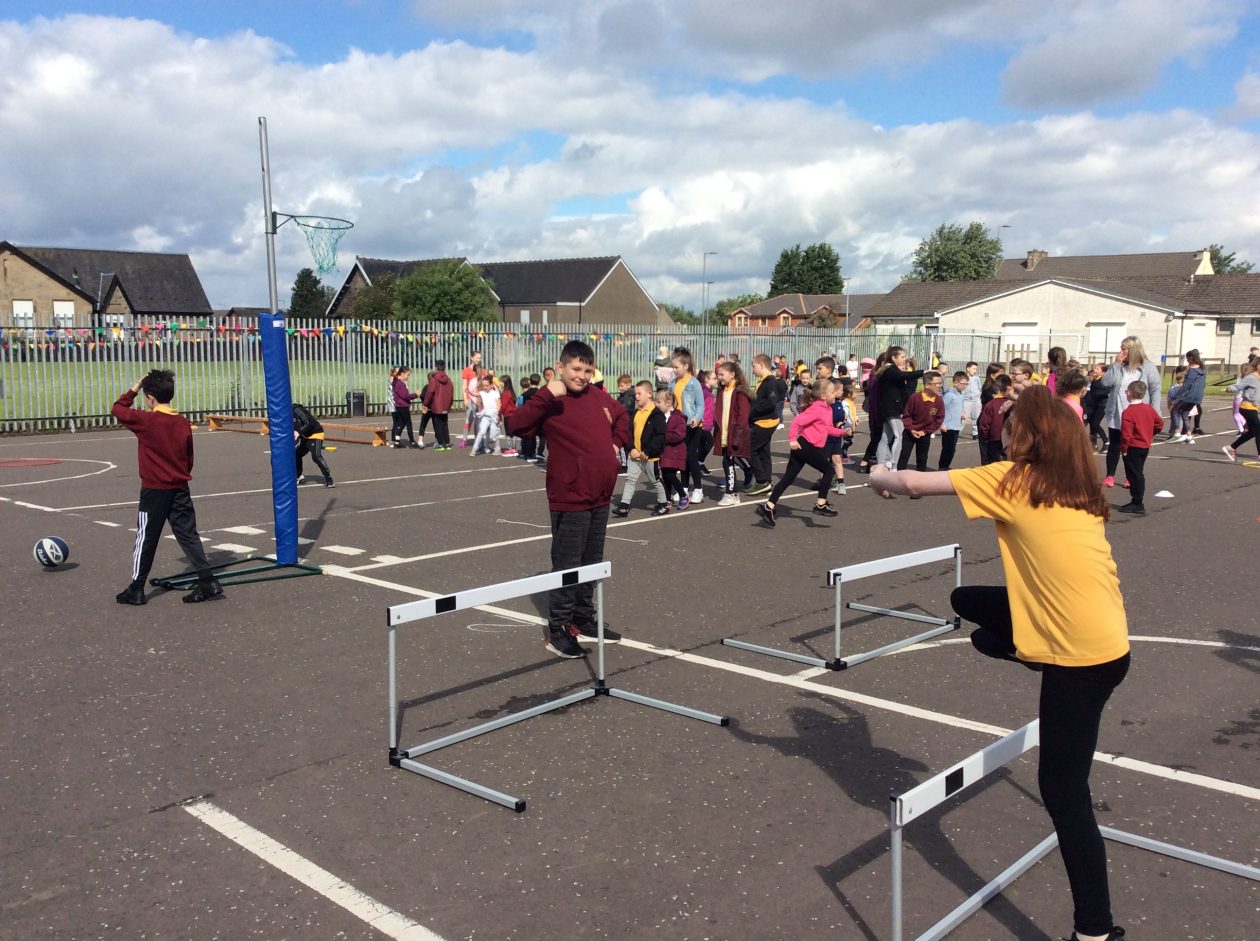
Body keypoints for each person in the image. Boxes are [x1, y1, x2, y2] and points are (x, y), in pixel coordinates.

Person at [869, 385, 1130, 941]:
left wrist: (878, 475)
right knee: (968, 603)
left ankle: (1095, 931)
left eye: (1009, 426)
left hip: (1079, 661)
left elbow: (911, 482)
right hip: (1109, 644)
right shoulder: (1077, 488)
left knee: (1064, 793)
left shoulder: (1014, 479)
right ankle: (1023, 648)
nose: (1001, 434)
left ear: (1028, 435)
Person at [507, 340, 628, 658]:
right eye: (576, 369)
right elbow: (516, 425)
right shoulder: (548, 399)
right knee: (568, 564)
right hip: (570, 497)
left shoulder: (598, 396)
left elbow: (622, 418)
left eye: (588, 370)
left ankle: (582, 619)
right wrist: (548, 393)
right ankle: (558, 629)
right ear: (560, 367)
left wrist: (615, 445)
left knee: (591, 562)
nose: (582, 376)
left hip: (600, 496)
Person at [111, 369, 222, 605]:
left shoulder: (147, 420)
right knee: (188, 535)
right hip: (180, 486)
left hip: (154, 489)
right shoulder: (182, 422)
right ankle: (208, 581)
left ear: (150, 398)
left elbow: (118, 409)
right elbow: (188, 458)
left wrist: (134, 388)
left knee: (146, 537)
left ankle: (136, 587)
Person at [755, 378, 842, 526]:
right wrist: (792, 439)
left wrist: (842, 432)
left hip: (804, 447)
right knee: (828, 470)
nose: (835, 394)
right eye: (832, 392)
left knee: (788, 478)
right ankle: (821, 504)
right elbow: (797, 422)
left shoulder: (827, 409)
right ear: (823, 396)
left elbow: (828, 428)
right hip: (805, 446)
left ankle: (768, 507)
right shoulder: (817, 408)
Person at [1098, 336, 1161, 489]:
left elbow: (1155, 389)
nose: (1121, 351)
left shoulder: (1147, 367)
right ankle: (1110, 475)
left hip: (1137, 414)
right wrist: (1116, 365)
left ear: (1133, 349)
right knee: (1115, 445)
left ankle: (1130, 476)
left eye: (1124, 348)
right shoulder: (1119, 366)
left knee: (1133, 447)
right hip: (1117, 411)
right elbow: (1105, 383)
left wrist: (1155, 411)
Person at [613, 380, 669, 517]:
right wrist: (631, 448)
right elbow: (628, 433)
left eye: (639, 393)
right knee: (630, 480)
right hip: (635, 456)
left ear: (649, 394)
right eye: (635, 394)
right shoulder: (635, 413)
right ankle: (624, 506)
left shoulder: (657, 414)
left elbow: (660, 436)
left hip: (649, 457)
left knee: (655, 480)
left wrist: (648, 451)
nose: (636, 397)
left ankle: (663, 503)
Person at [874, 346, 926, 467]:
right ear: (894, 358)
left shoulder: (889, 369)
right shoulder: (890, 370)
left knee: (885, 437)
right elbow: (903, 376)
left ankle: (881, 464)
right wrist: (922, 372)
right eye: (902, 357)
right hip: (893, 409)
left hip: (890, 408)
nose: (904, 359)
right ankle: (894, 465)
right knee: (899, 437)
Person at [1116, 380, 1162, 515]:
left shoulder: (1129, 412)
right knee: (1138, 472)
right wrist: (1150, 434)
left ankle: (1137, 502)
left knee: (1134, 474)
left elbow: (1126, 434)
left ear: (1129, 393)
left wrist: (1124, 448)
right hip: (1144, 446)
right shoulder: (1148, 408)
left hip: (1133, 446)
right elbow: (1159, 424)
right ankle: (1136, 500)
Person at [712, 360, 753, 506]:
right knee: (726, 463)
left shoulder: (740, 393)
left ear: (732, 374)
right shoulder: (722, 391)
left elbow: (743, 418)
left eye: (722, 374)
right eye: (718, 375)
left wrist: (737, 437)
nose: (719, 377)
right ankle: (733, 493)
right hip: (724, 435)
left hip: (733, 435)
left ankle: (731, 494)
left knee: (728, 463)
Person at [671, 347, 706, 504]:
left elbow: (700, 405)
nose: (674, 370)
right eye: (673, 367)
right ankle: (684, 488)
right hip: (678, 426)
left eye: (676, 367)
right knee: (682, 457)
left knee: (691, 457)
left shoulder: (694, 383)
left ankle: (698, 489)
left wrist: (696, 418)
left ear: (686, 366)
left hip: (692, 426)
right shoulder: (672, 383)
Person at [897, 371, 945, 484]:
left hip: (925, 433)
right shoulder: (915, 397)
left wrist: (926, 431)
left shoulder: (939, 400)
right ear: (927, 385)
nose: (939, 386)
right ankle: (898, 479)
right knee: (904, 455)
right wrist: (911, 429)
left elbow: (939, 419)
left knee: (922, 458)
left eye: (940, 383)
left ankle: (920, 482)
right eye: (936, 384)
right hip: (910, 432)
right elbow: (907, 415)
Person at [747, 354, 782, 496]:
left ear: (761, 365)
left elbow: (771, 402)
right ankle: (766, 481)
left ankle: (761, 481)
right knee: (763, 452)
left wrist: (752, 411)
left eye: (753, 366)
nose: (752, 369)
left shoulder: (770, 381)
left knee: (749, 449)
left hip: (765, 422)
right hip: (762, 421)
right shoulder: (763, 381)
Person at [656, 387, 690, 508]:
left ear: (668, 402)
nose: (656, 404)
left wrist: (662, 437)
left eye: (659, 402)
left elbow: (678, 435)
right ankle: (667, 499)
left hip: (675, 451)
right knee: (665, 476)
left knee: (670, 475)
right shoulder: (659, 417)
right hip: (665, 452)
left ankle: (683, 495)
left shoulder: (678, 418)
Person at [1222, 357, 1260, 462]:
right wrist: (1229, 388)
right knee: (1258, 430)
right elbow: (1239, 385)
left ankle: (1231, 447)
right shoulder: (1251, 377)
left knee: (1252, 432)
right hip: (1247, 407)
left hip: (1254, 408)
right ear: (1257, 366)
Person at [293, 402, 334, 488]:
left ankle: (328, 478)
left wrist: (298, 432)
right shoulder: (285, 416)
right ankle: (299, 476)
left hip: (315, 434)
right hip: (305, 436)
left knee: (316, 456)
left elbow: (309, 422)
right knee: (296, 453)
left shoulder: (297, 410)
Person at [977, 374, 1012, 465]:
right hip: (1009, 439)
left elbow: (984, 424)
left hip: (994, 439)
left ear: (996, 388)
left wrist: (984, 437)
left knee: (994, 463)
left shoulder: (990, 404)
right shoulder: (1012, 403)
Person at [419, 359, 454, 450]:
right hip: (445, 405)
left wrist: (425, 403)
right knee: (444, 424)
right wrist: (449, 404)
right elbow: (451, 393)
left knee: (438, 424)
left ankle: (440, 444)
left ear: (436, 368)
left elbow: (430, 392)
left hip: (436, 405)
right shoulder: (448, 379)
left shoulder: (434, 379)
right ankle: (447, 443)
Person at [1173, 349, 1206, 441]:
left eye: (1187, 358)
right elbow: (1203, 384)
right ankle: (1189, 435)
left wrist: (1177, 394)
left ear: (1191, 358)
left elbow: (1186, 384)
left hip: (1190, 395)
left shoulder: (1192, 370)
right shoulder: (1202, 369)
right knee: (1185, 413)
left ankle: (1177, 432)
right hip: (1198, 396)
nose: (1187, 360)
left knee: (1175, 410)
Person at [938, 370, 967, 471]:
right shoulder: (949, 395)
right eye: (963, 384)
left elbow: (961, 406)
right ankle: (942, 467)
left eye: (966, 384)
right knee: (948, 448)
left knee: (952, 449)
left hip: (956, 426)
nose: (965, 386)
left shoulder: (961, 394)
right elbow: (942, 410)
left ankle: (946, 466)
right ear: (955, 382)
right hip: (948, 426)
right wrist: (942, 424)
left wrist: (962, 413)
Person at [469, 374, 501, 455]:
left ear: (491, 385)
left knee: (494, 433)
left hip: (494, 416)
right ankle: (474, 449)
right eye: (483, 386)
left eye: (486, 385)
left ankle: (497, 449)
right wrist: (468, 391)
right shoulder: (482, 393)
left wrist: (498, 415)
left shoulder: (495, 393)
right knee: (481, 431)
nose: (484, 387)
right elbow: (474, 394)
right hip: (486, 415)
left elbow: (498, 405)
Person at [389, 366, 420, 448]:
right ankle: (412, 442)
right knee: (409, 424)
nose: (408, 377)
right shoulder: (400, 383)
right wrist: (415, 395)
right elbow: (405, 396)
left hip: (399, 406)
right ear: (402, 374)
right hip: (403, 406)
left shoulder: (399, 382)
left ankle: (397, 442)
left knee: (402, 424)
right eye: (408, 375)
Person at [1082, 364, 1109, 452]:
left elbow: (1107, 391)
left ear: (1103, 373)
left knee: (1095, 423)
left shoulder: (1104, 381)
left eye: (1097, 369)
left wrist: (1096, 394)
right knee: (1092, 423)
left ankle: (1106, 442)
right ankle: (1094, 444)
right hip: (1095, 405)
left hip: (1102, 405)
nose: (1094, 370)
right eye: (1095, 368)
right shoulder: (1094, 380)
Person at [460, 351, 482, 445]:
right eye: (477, 357)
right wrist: (465, 399)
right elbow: (464, 386)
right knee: (469, 419)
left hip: (479, 399)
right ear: (472, 358)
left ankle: (478, 440)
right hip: (470, 398)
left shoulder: (482, 370)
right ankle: (464, 439)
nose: (479, 359)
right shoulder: (466, 370)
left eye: (480, 358)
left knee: (478, 420)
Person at [1164, 366, 1187, 439]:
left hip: (1174, 405)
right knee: (1180, 420)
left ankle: (1173, 433)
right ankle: (1178, 433)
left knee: (1174, 419)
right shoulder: (1183, 388)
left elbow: (1169, 399)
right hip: (1180, 405)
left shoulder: (1172, 387)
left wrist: (1169, 406)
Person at [498, 376, 518, 455]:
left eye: (501, 381)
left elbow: (504, 406)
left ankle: (510, 448)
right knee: (512, 432)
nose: (500, 383)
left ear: (505, 383)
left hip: (508, 415)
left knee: (508, 433)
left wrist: (499, 413)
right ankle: (514, 448)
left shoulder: (506, 393)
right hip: (513, 415)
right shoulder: (511, 392)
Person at [962, 361, 982, 438]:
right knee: (963, 417)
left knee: (976, 417)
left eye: (976, 369)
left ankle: (975, 433)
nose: (975, 371)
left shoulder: (976, 378)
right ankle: (956, 431)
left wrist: (978, 396)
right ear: (968, 369)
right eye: (973, 369)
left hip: (975, 400)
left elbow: (979, 388)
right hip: (966, 400)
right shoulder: (963, 378)